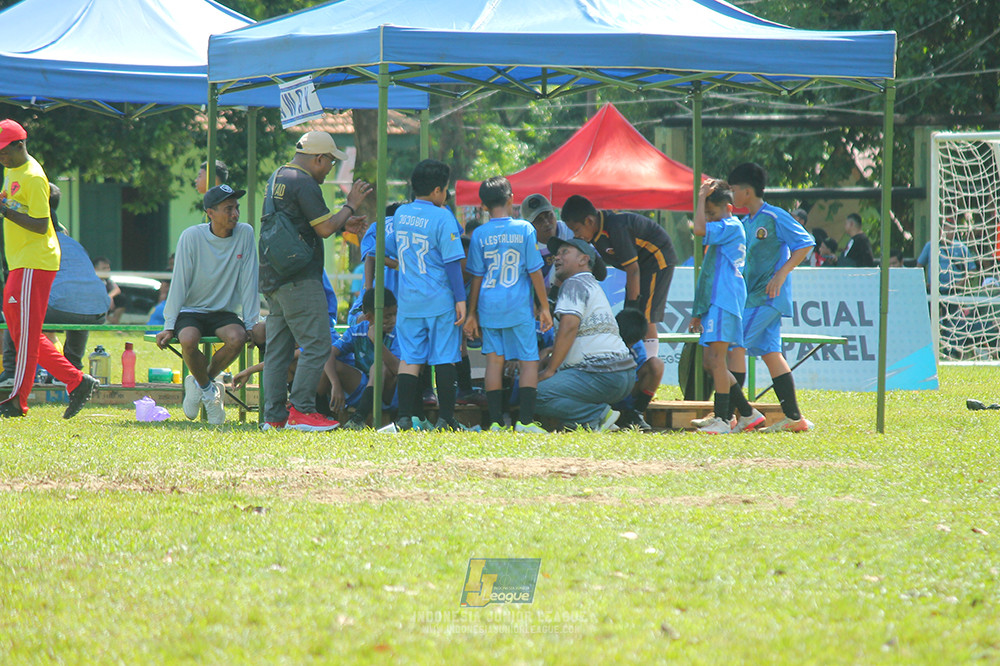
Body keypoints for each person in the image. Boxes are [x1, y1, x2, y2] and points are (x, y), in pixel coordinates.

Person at [259, 131, 371, 432]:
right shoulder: (304, 182)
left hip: (274, 276)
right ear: (318, 158)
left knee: (278, 349)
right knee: (319, 344)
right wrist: (350, 205)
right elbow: (322, 230)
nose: (330, 169)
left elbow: (301, 223)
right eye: (330, 163)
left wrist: (341, 223)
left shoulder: (278, 176)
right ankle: (302, 411)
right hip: (299, 277)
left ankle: (273, 416)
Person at [0, 119, 98, 418]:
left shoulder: (32, 176)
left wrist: (3, 209)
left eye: (4, 151)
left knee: (25, 335)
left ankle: (18, 400)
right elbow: (16, 204)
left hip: (35, 262)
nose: (1, 157)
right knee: (21, 333)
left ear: (20, 144)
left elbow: (42, 225)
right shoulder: (11, 170)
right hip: (20, 262)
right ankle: (77, 380)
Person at [155, 184, 260, 425]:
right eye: (228, 209)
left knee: (238, 338)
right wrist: (169, 325)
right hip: (191, 311)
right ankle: (209, 388)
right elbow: (179, 282)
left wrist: (252, 323)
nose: (235, 214)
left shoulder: (245, 233)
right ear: (210, 213)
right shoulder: (191, 236)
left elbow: (249, 281)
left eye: (236, 208)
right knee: (188, 340)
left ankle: (201, 383)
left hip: (224, 313)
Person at [726, 162, 815, 432]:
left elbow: (806, 243)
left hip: (767, 299)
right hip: (753, 299)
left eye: (733, 190)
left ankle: (738, 413)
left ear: (747, 191)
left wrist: (782, 273)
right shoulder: (745, 222)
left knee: (731, 347)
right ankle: (794, 418)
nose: (731, 195)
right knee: (771, 354)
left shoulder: (774, 216)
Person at [463, 176, 552, 433]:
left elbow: (477, 276)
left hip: (489, 306)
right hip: (518, 306)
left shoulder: (479, 234)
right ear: (511, 198)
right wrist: (544, 306)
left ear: (483, 205)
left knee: (494, 362)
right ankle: (525, 422)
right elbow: (535, 271)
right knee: (528, 361)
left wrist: (472, 312)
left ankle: (494, 422)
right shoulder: (525, 230)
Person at [386, 159, 467, 431]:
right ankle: (446, 418)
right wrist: (461, 299)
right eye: (445, 190)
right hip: (439, 300)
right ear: (436, 191)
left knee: (410, 359)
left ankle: (405, 418)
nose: (446, 195)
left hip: (408, 301)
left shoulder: (400, 214)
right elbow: (453, 262)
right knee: (444, 357)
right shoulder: (443, 217)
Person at [0, 184, 109, 382]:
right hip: (98, 309)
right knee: (78, 301)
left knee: (14, 307)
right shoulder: (73, 243)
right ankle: (72, 368)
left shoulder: (35, 241)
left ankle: (11, 371)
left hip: (62, 307)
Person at [561, 194, 677, 360]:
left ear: (589, 221)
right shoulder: (594, 234)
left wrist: (631, 306)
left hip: (656, 259)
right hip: (638, 267)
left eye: (577, 230)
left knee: (644, 315)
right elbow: (602, 271)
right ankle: (634, 359)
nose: (576, 235)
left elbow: (633, 269)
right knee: (633, 313)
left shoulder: (615, 227)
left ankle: (650, 364)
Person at [535, 237, 634, 430]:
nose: (557, 257)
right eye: (557, 253)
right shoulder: (590, 285)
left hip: (600, 373)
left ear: (583, 260)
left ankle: (597, 416)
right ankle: (596, 422)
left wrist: (550, 369)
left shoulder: (574, 283)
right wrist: (552, 352)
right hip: (623, 375)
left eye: (565, 252)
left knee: (534, 393)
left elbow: (570, 326)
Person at [687, 180, 762, 434]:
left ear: (728, 208)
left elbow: (697, 230)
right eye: (707, 214)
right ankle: (748, 413)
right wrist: (699, 312)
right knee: (711, 360)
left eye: (712, 213)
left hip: (725, 299)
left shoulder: (730, 226)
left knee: (717, 359)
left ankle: (722, 417)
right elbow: (708, 273)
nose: (708, 219)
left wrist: (699, 200)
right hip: (716, 301)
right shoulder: (724, 227)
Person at [329, 288, 401, 430]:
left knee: (379, 366)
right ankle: (323, 413)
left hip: (388, 394)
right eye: (387, 316)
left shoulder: (397, 332)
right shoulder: (358, 330)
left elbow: (399, 369)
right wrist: (335, 384)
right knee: (330, 364)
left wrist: (377, 343)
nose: (393, 320)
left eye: (395, 314)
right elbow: (329, 354)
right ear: (368, 317)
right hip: (363, 389)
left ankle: (359, 418)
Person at [612, 308, 663, 432]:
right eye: (625, 342)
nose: (628, 346)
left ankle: (635, 413)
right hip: (606, 390)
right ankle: (603, 412)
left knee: (656, 364)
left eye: (631, 343)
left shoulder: (638, 345)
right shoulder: (607, 341)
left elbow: (635, 377)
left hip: (628, 388)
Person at [521, 193, 573, 287]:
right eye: (539, 220)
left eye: (549, 215)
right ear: (528, 225)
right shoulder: (525, 247)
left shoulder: (570, 231)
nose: (546, 222)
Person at [917, 217, 976, 293]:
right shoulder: (930, 246)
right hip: (934, 291)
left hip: (954, 291)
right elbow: (919, 265)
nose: (949, 232)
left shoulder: (961, 247)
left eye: (952, 229)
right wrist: (923, 283)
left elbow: (972, 269)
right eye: (946, 229)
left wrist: (961, 283)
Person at [92, 256, 123, 323]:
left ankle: (115, 321)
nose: (107, 270)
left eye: (108, 268)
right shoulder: (90, 281)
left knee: (121, 298)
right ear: (95, 269)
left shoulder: (107, 281)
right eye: (104, 268)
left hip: (106, 307)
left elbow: (117, 289)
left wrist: (109, 297)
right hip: (91, 309)